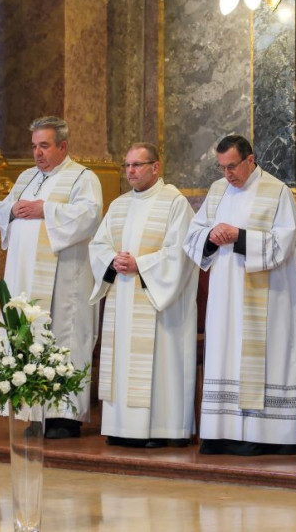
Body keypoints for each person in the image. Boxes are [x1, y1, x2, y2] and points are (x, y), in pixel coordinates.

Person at [183, 135, 296, 456]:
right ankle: (221, 432)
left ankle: (262, 434)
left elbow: (284, 241)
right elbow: (193, 234)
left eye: (233, 166)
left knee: (259, 359)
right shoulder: (217, 191)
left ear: (251, 160)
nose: (228, 174)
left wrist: (239, 236)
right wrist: (210, 235)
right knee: (225, 353)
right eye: (222, 167)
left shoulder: (277, 191)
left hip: (266, 295)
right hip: (225, 293)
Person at [0, 116, 103, 438]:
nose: (37, 153)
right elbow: (2, 208)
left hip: (65, 281)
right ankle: (36, 414)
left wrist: (47, 210)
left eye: (44, 146)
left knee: (63, 338)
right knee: (29, 336)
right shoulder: (26, 177)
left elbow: (90, 215)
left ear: (63, 146)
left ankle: (65, 418)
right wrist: (12, 210)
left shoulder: (83, 177)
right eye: (34, 146)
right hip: (25, 279)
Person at [89, 142, 199, 448]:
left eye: (137, 165)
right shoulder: (119, 205)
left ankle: (161, 430)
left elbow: (181, 253)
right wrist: (113, 260)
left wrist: (142, 265)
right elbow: (98, 245)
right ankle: (121, 427)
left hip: (158, 302)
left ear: (156, 167)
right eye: (127, 166)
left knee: (158, 365)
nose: (131, 171)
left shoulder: (174, 203)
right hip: (123, 296)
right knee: (122, 362)